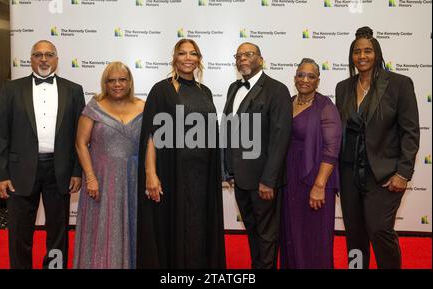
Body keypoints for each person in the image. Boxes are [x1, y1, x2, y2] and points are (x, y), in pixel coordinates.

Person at [0, 40, 85, 269]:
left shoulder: (73, 90)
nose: (44, 59)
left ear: (56, 59)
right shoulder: (11, 89)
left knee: (58, 231)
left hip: (60, 169)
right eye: (38, 55)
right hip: (19, 171)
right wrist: (0, 174)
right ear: (31, 59)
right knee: (19, 231)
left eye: (49, 54)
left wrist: (77, 171)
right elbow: (1, 134)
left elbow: (79, 136)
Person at [335, 26, 420, 269]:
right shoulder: (343, 87)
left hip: (383, 174)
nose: (362, 56)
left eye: (368, 51)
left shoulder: (399, 84)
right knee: (354, 234)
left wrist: (403, 173)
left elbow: (410, 132)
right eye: (357, 52)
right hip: (349, 173)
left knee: (379, 229)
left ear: (377, 53)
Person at [137, 39, 226, 268]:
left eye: (193, 53)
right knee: (176, 227)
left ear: (199, 59)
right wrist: (150, 173)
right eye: (182, 53)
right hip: (173, 172)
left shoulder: (204, 91)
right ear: (174, 58)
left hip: (203, 175)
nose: (188, 58)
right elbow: (151, 134)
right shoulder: (162, 90)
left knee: (199, 227)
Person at [222, 42, 292, 269]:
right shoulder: (234, 88)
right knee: (252, 231)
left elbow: (280, 139)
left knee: (267, 236)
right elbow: (228, 129)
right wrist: (228, 170)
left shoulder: (277, 90)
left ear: (260, 60)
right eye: (239, 55)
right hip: (240, 179)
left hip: (264, 182)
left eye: (248, 54)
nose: (242, 58)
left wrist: (268, 181)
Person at [73, 62, 144, 269]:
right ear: (105, 83)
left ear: (130, 82)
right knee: (102, 226)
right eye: (111, 80)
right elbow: (80, 144)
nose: (117, 84)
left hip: (133, 178)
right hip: (101, 179)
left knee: (132, 223)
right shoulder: (94, 106)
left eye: (122, 79)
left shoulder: (143, 106)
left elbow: (151, 142)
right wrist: (91, 177)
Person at [279, 58, 342, 269]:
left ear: (318, 80)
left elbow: (332, 149)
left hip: (316, 175)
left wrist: (319, 185)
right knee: (292, 231)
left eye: (311, 76)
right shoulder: (287, 102)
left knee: (314, 236)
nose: (305, 79)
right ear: (294, 78)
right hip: (290, 176)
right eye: (300, 75)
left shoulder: (325, 106)